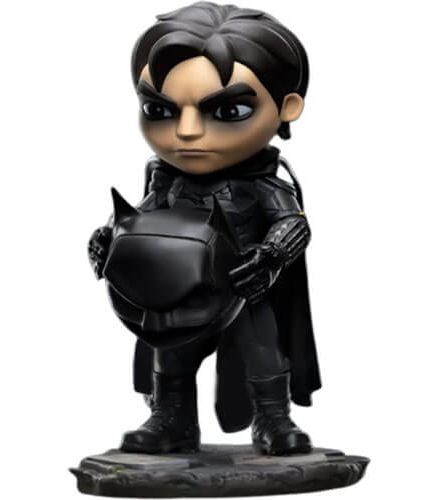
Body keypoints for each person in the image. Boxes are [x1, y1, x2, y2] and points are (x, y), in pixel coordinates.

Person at [88, 1, 321, 456]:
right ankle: (171, 417)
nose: (188, 131)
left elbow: (292, 223)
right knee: (170, 352)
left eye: (229, 110)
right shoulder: (165, 180)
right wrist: (109, 239)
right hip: (177, 291)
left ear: (288, 107)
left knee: (262, 350)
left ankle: (272, 418)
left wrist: (271, 256)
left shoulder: (263, 184)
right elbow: (142, 218)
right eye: (159, 109)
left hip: (245, 287)